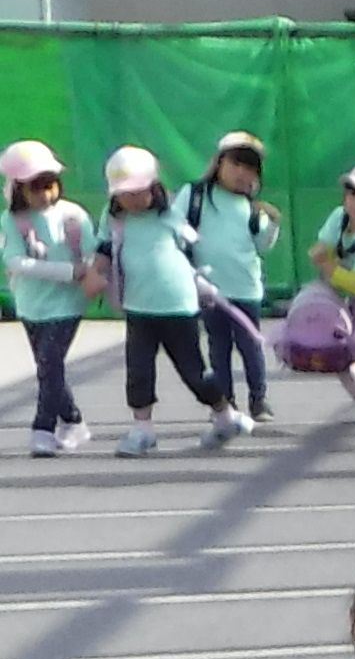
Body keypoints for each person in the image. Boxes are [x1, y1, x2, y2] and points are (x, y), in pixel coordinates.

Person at [88, 147, 212, 455]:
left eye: (138, 192)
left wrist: (205, 281)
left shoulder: (172, 212)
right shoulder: (114, 218)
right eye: (123, 193)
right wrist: (94, 275)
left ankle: (223, 412)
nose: (130, 199)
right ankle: (142, 428)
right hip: (138, 307)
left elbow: (194, 248)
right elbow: (104, 251)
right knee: (138, 370)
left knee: (193, 369)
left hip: (179, 305)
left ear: (153, 187)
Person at [180, 131, 276, 434]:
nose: (241, 173)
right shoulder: (195, 195)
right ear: (219, 163)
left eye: (249, 168)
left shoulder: (251, 206)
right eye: (236, 164)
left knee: (250, 345)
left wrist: (272, 223)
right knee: (217, 345)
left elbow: (263, 244)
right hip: (209, 288)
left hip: (246, 287)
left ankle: (259, 399)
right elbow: (176, 228)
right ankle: (225, 402)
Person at [7, 139, 91, 455]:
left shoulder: (73, 215)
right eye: (35, 187)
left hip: (68, 304)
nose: (45, 193)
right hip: (31, 305)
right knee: (48, 367)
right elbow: (16, 262)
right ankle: (73, 420)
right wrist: (69, 271)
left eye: (50, 185)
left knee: (50, 362)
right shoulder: (11, 221)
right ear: (18, 189)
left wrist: (88, 269)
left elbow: (92, 252)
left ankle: (43, 428)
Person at [293, 162, 355, 403]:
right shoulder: (339, 218)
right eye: (353, 193)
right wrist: (323, 256)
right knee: (338, 353)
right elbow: (322, 247)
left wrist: (328, 265)